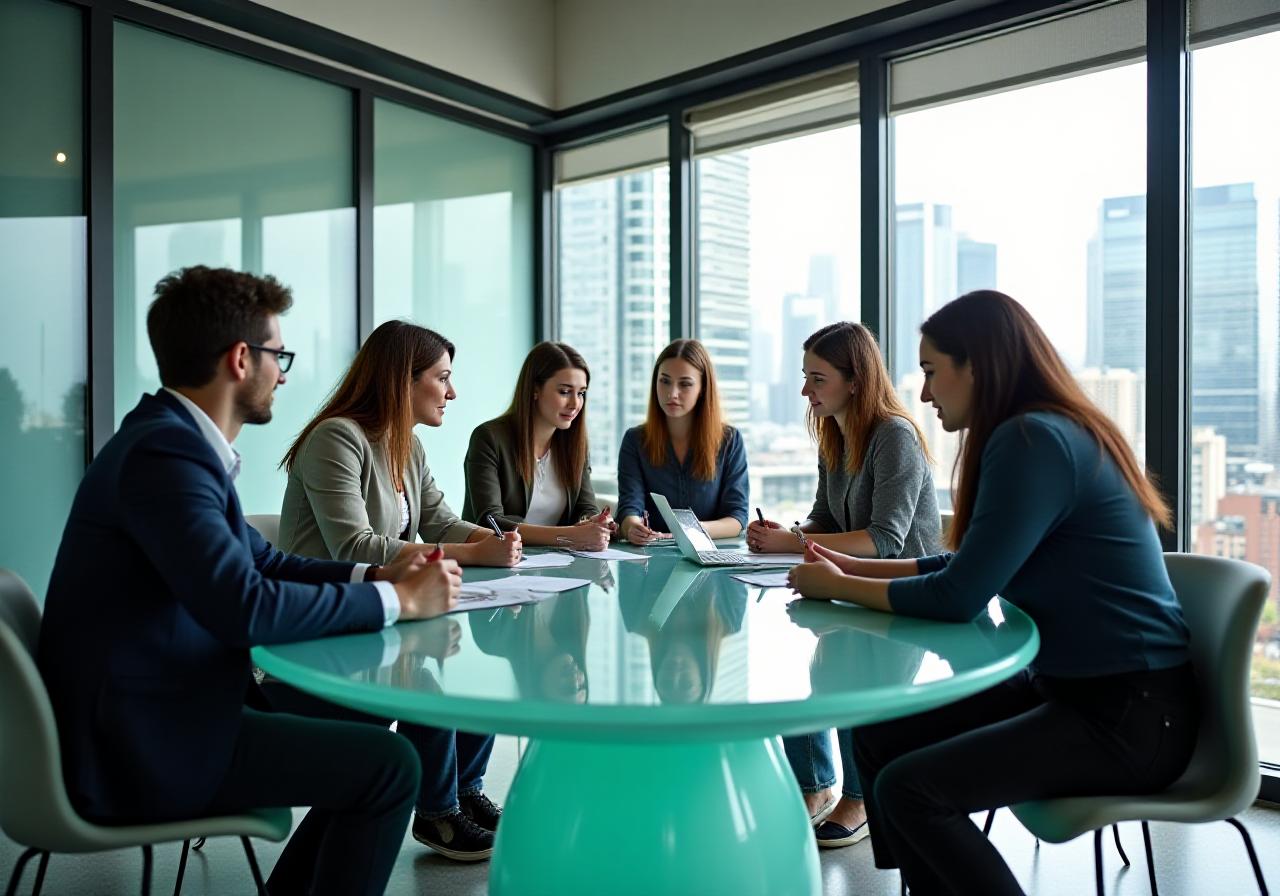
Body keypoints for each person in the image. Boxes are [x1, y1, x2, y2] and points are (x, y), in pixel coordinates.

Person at [36, 266, 462, 896]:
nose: (283, 373)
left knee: (372, 738)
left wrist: (374, 571)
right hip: (141, 739)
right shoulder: (166, 455)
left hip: (164, 703)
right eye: (277, 355)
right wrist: (393, 599)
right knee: (389, 767)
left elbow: (262, 563)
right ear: (242, 359)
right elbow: (243, 606)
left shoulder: (171, 442)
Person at [787, 290, 1198, 895]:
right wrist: (847, 579)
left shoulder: (1032, 441)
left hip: (1129, 713)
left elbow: (960, 595)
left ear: (976, 365)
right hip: (1071, 690)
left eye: (931, 372)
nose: (924, 393)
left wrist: (844, 585)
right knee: (879, 735)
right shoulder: (1036, 432)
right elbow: (958, 563)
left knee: (911, 789)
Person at [275, 319, 518, 862]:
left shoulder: (407, 447)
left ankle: (463, 790)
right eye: (442, 378)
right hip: (321, 633)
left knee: (476, 669)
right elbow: (355, 547)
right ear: (401, 381)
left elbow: (440, 523)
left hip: (377, 621)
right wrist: (471, 553)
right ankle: (436, 815)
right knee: (428, 678)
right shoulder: (336, 437)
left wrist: (492, 538)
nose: (452, 392)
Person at [746, 321, 941, 847]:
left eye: (817, 379)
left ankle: (860, 797)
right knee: (786, 662)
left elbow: (885, 541)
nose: (806, 391)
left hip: (903, 593)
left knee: (853, 675)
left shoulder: (893, 436)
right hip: (849, 584)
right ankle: (814, 785)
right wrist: (784, 534)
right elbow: (821, 520)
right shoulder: (834, 432)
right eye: (805, 377)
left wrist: (794, 545)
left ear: (854, 381)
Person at [462, 341, 613, 548]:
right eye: (564, 391)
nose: (575, 404)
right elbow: (490, 521)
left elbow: (585, 507)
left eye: (581, 393)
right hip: (496, 564)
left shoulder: (575, 444)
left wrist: (595, 523)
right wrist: (570, 536)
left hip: (558, 567)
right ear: (535, 389)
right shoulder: (489, 438)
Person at [616, 339, 748, 546]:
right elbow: (629, 506)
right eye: (665, 381)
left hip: (711, 554)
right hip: (652, 555)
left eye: (685, 384)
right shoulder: (635, 440)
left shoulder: (729, 440)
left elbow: (737, 517)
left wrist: (691, 531)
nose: (672, 393)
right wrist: (633, 527)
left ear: (703, 388)